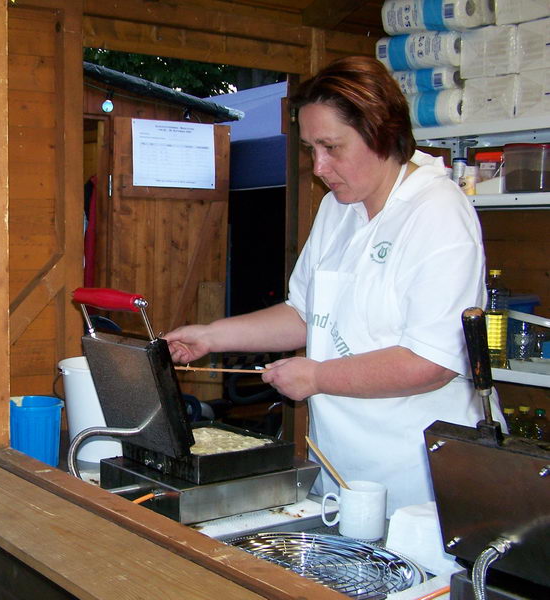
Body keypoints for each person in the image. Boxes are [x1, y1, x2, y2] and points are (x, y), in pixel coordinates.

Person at [165, 56, 494, 514]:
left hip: (417, 478)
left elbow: (432, 362)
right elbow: (304, 313)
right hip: (340, 468)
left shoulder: (437, 213)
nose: (318, 166)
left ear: (380, 132)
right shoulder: (340, 205)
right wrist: (210, 336)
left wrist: (318, 376)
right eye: (310, 149)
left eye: (331, 147)